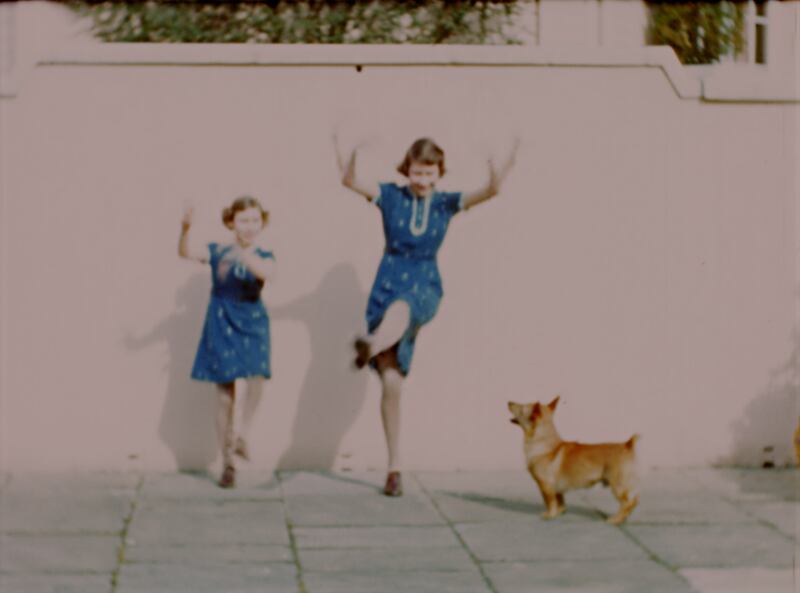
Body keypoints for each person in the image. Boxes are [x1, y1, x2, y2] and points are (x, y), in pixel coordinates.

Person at [334, 135, 518, 496]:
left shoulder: (446, 204)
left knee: (404, 308)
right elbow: (349, 181)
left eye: (429, 173)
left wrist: (500, 163)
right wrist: (353, 150)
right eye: (417, 172)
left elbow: (491, 190)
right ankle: (395, 468)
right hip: (385, 283)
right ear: (408, 170)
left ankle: (369, 345)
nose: (422, 180)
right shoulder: (391, 196)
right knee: (391, 382)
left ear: (438, 174)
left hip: (423, 283)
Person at [178, 196, 275, 488]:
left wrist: (244, 254)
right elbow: (185, 252)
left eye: (255, 220)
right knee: (224, 395)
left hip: (253, 318)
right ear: (231, 222)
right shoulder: (218, 250)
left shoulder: (264, 254)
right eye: (243, 220)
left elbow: (268, 272)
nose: (249, 226)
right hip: (221, 318)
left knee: (257, 377)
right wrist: (185, 229)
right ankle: (227, 462)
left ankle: (243, 434)